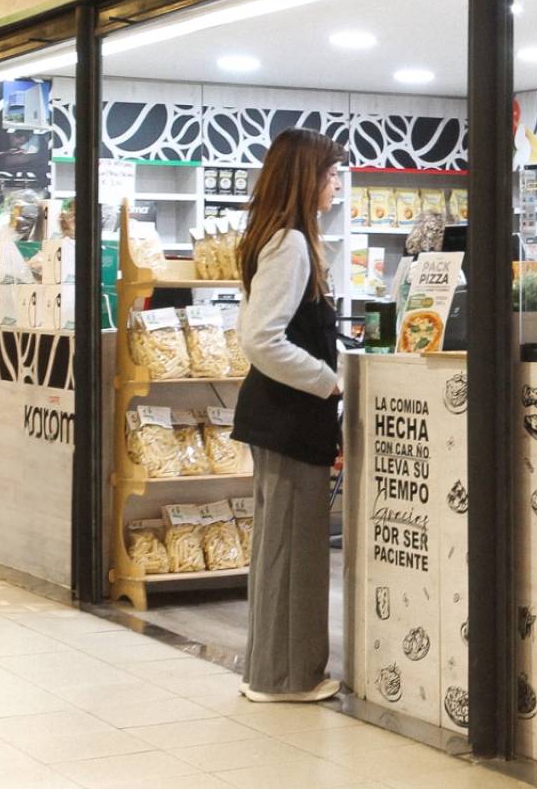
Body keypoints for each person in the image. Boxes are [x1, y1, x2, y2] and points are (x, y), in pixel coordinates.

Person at [233, 128, 344, 703]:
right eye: (330, 174)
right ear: (306, 177)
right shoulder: (292, 244)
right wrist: (330, 381)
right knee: (293, 549)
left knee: (279, 545)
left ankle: (269, 671)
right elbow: (262, 339)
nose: (336, 184)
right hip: (290, 417)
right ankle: (287, 678)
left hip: (276, 416)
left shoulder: (271, 237)